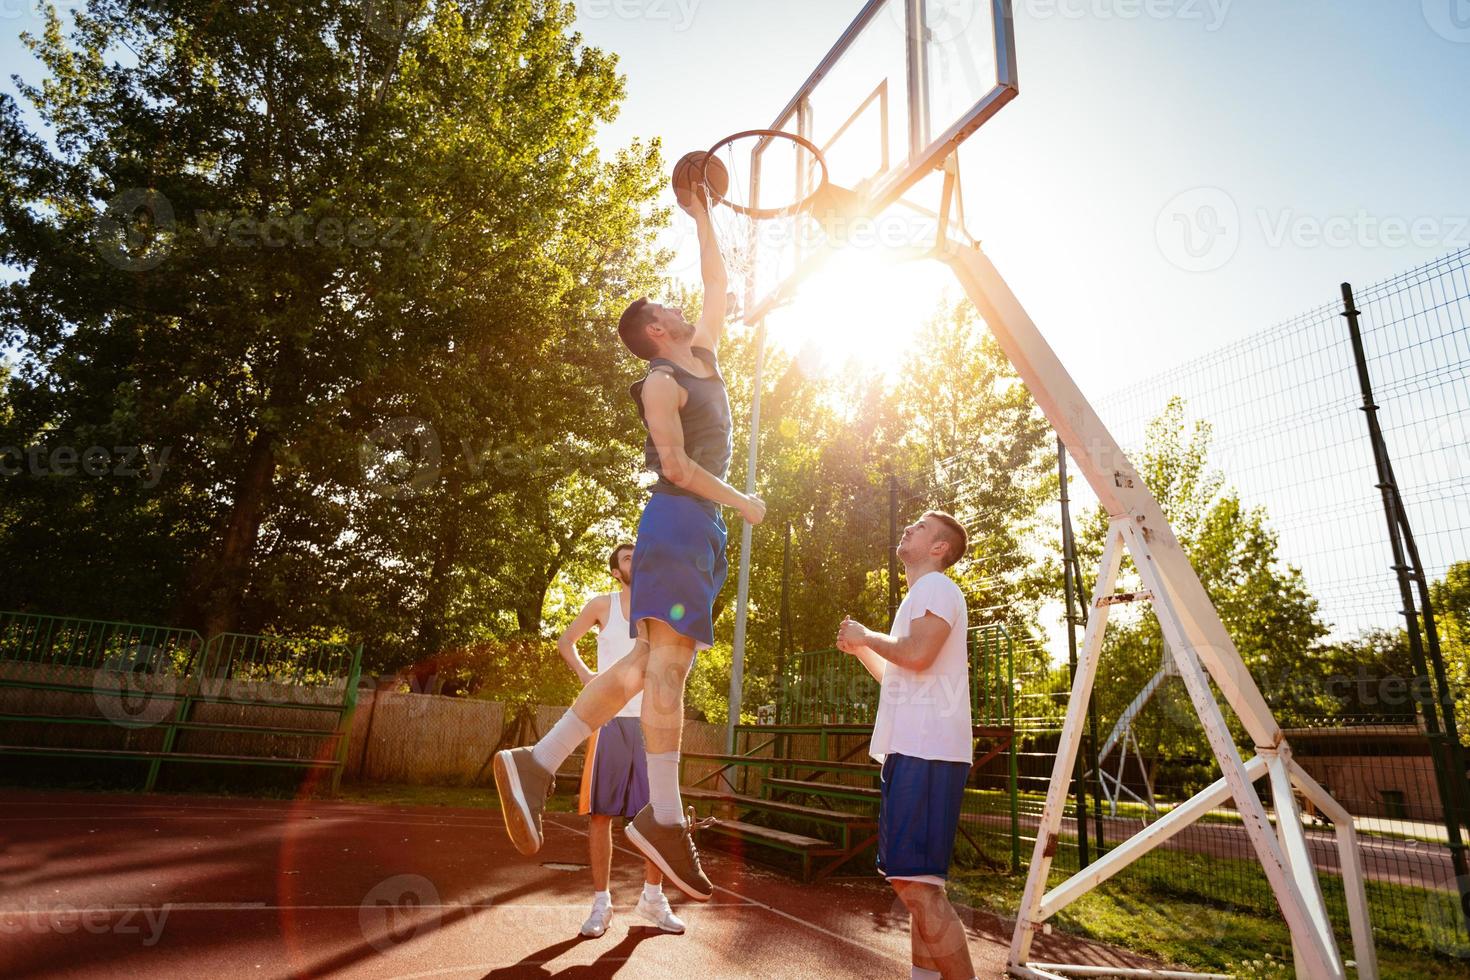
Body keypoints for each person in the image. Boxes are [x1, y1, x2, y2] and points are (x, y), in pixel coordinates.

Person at [494, 184, 765, 903]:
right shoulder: (659, 380)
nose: (678, 306)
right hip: (680, 520)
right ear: (652, 331)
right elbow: (675, 466)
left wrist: (703, 210)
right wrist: (741, 503)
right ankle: (664, 818)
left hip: (696, 531)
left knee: (652, 662)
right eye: (661, 309)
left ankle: (539, 762)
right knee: (667, 671)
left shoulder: (702, 353)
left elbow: (716, 282)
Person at [836, 511, 978, 980]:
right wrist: (863, 649)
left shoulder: (936, 588)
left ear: (939, 548)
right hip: (914, 748)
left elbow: (916, 655)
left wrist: (866, 635)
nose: (907, 529)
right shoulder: (920, 596)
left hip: (928, 748)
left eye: (918, 527)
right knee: (919, 884)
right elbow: (896, 673)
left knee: (915, 887)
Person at [555, 542, 686, 937]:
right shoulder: (602, 605)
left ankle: (653, 898)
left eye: (639, 554)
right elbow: (565, 642)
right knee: (601, 816)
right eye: (627, 557)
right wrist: (585, 677)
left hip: (652, 726)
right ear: (616, 571)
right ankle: (601, 904)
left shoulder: (659, 609)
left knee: (658, 816)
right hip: (609, 721)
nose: (637, 560)